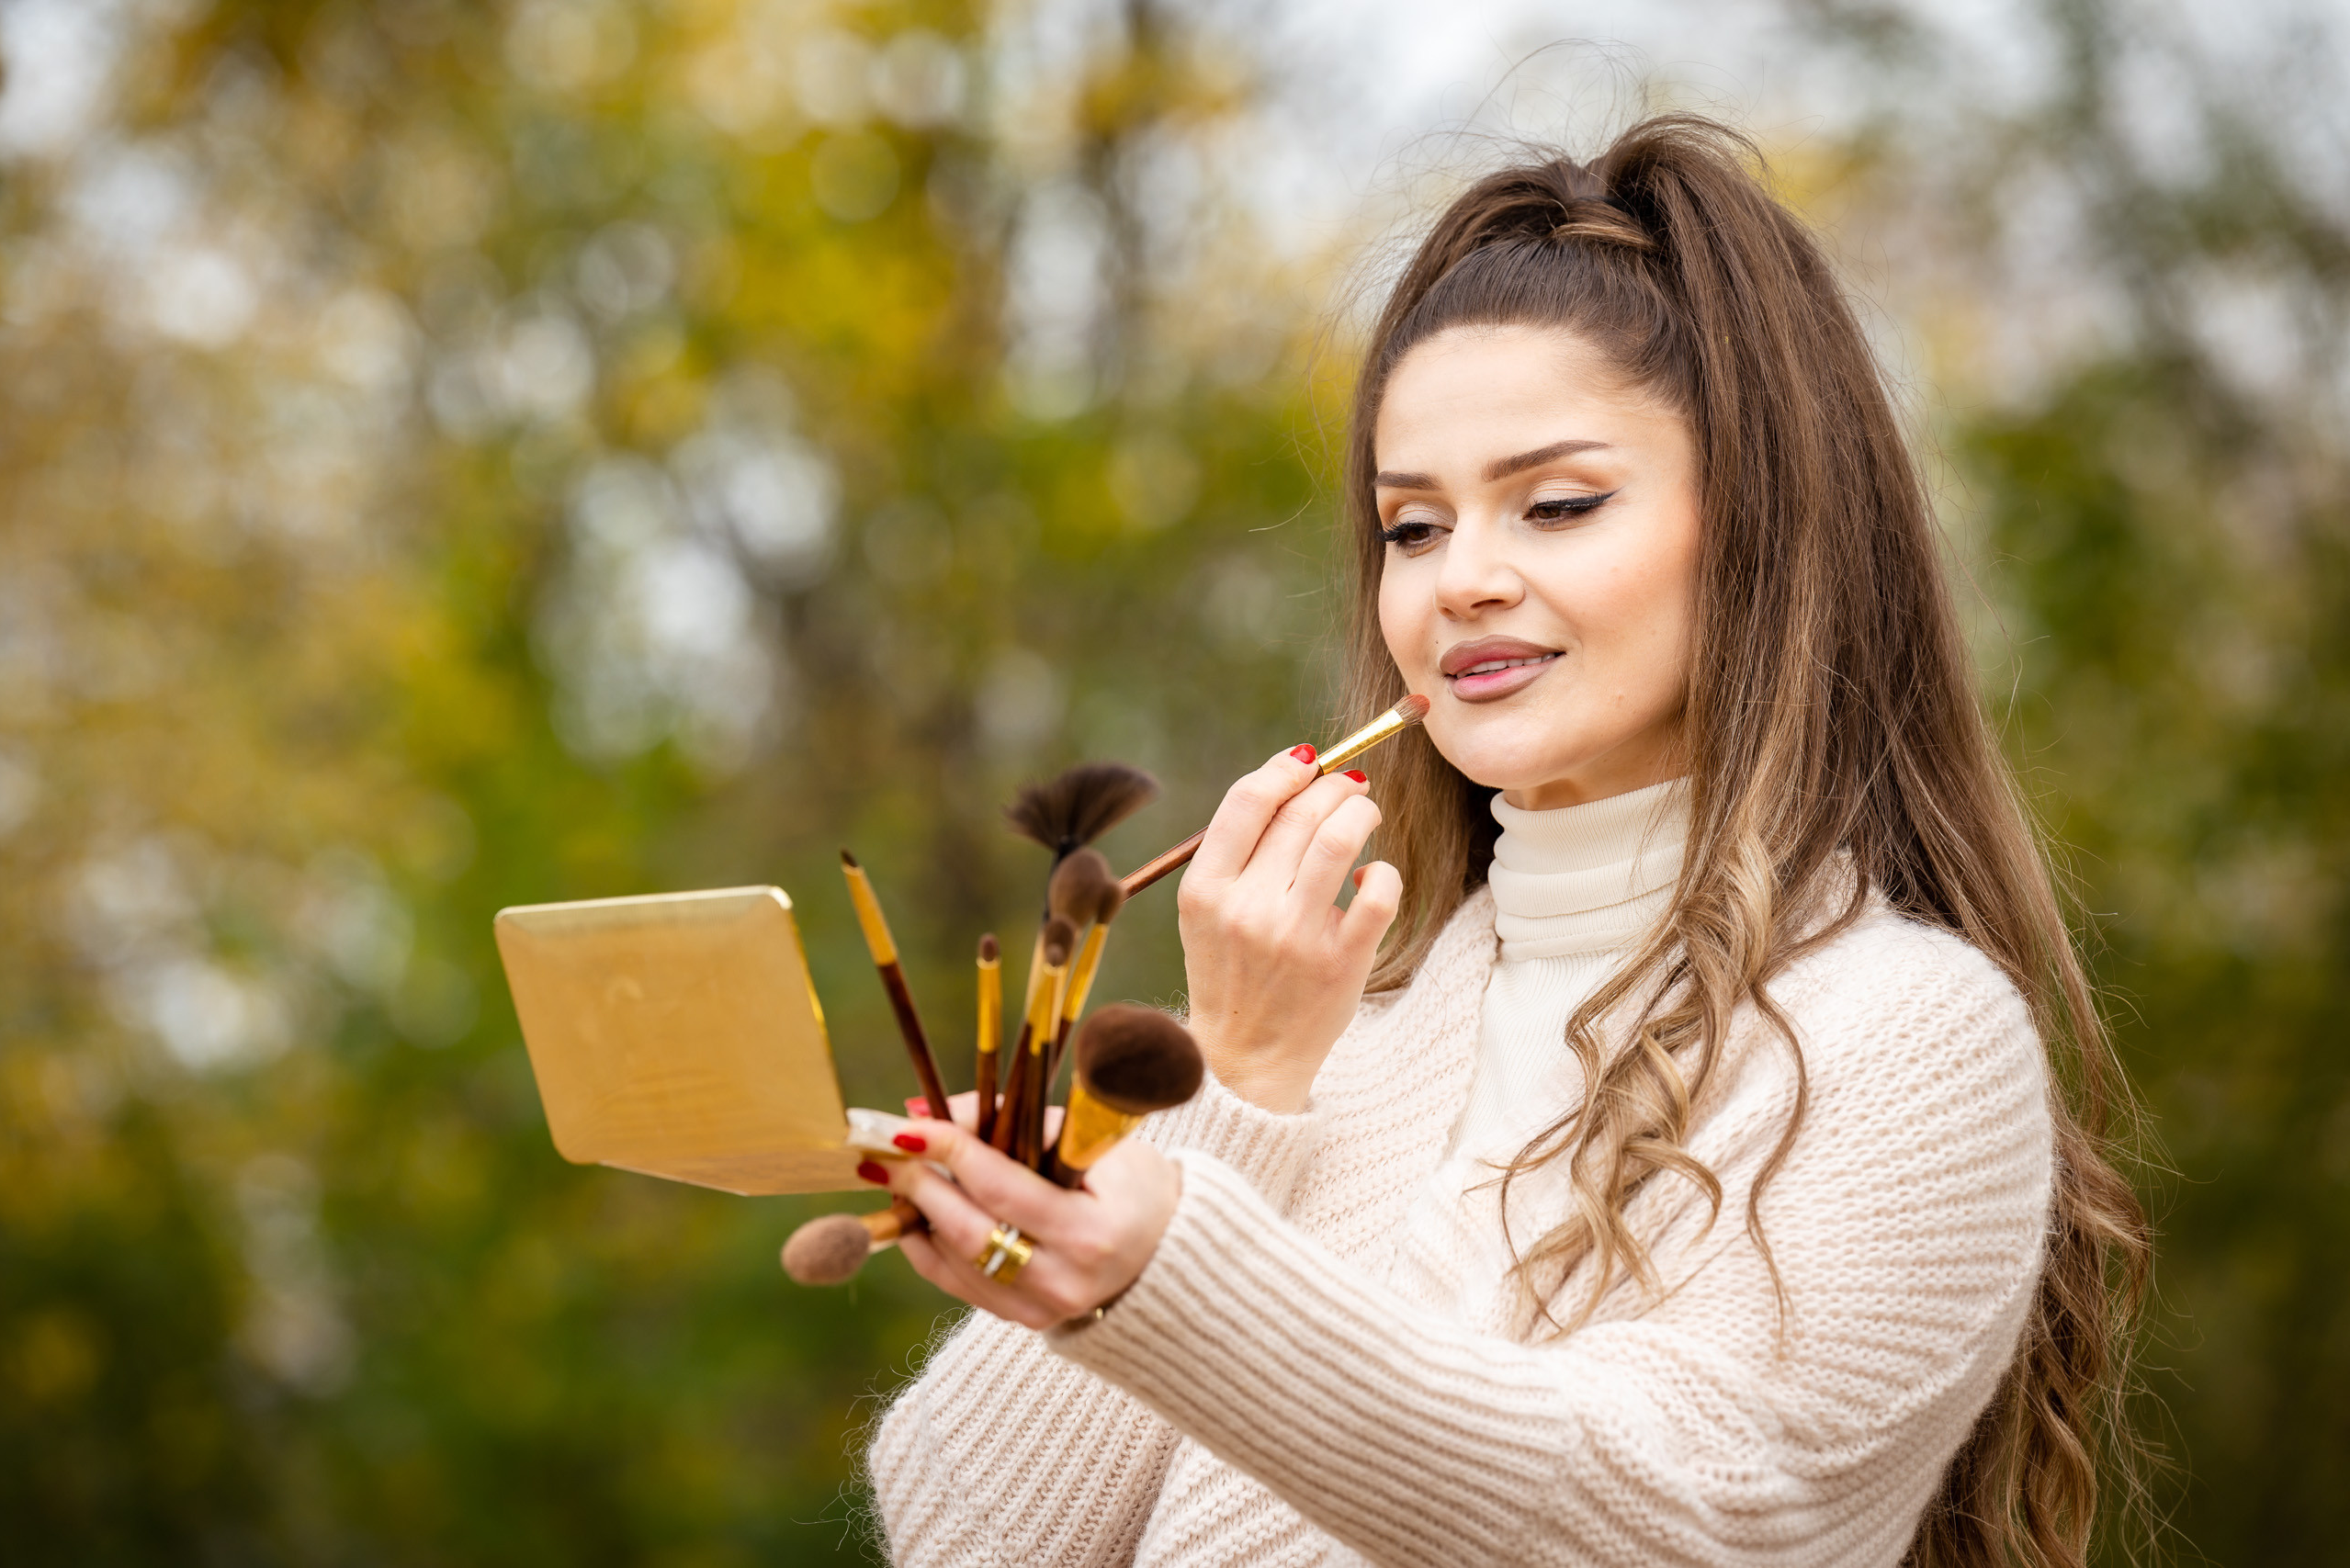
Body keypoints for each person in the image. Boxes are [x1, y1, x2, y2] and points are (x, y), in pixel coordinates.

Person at [856, 113, 2148, 1568]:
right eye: (1411, 528)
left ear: (1764, 533)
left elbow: (1697, 1524)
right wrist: (1238, 1081)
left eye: (1557, 504)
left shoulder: (1908, 1039)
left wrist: (1164, 1266)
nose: (1463, 579)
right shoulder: (1359, 1027)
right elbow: (965, 1541)